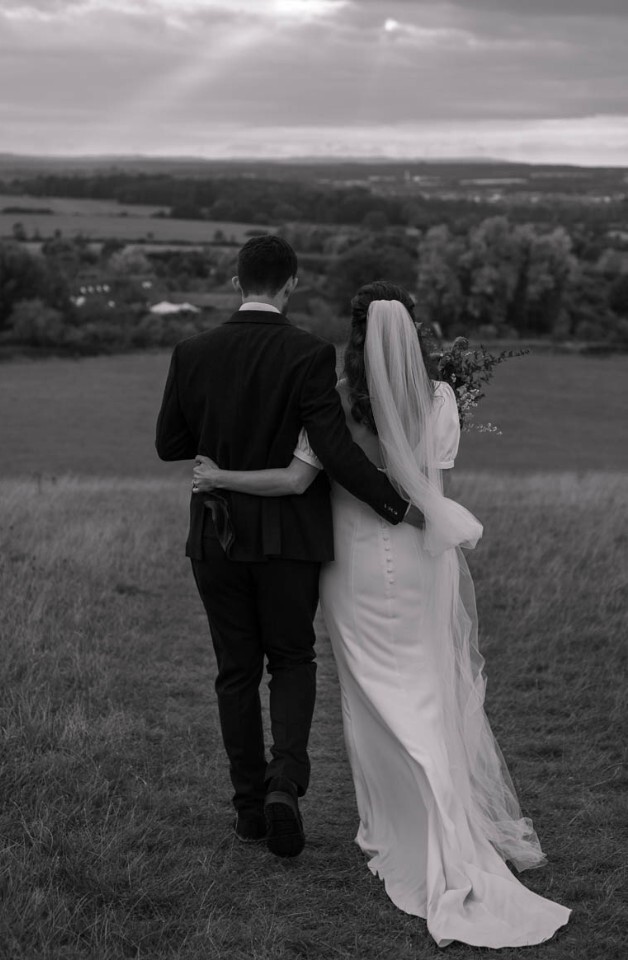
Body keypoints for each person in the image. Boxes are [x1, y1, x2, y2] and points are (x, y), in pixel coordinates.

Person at [191, 281, 571, 949]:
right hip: (422, 555)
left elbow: (297, 480)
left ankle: (395, 824)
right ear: (415, 332)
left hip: (352, 563)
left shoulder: (330, 399)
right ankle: (439, 820)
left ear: (356, 332)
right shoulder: (442, 398)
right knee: (425, 683)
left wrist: (218, 477)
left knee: (370, 692)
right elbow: (433, 474)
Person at [155, 240, 421, 859]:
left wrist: (220, 440)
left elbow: (171, 443)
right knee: (293, 660)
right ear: (292, 283)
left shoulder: (191, 352)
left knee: (236, 672)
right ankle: (285, 785)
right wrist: (399, 507)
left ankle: (249, 811)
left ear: (234, 279)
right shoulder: (308, 354)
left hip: (213, 537)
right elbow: (335, 451)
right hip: (291, 542)